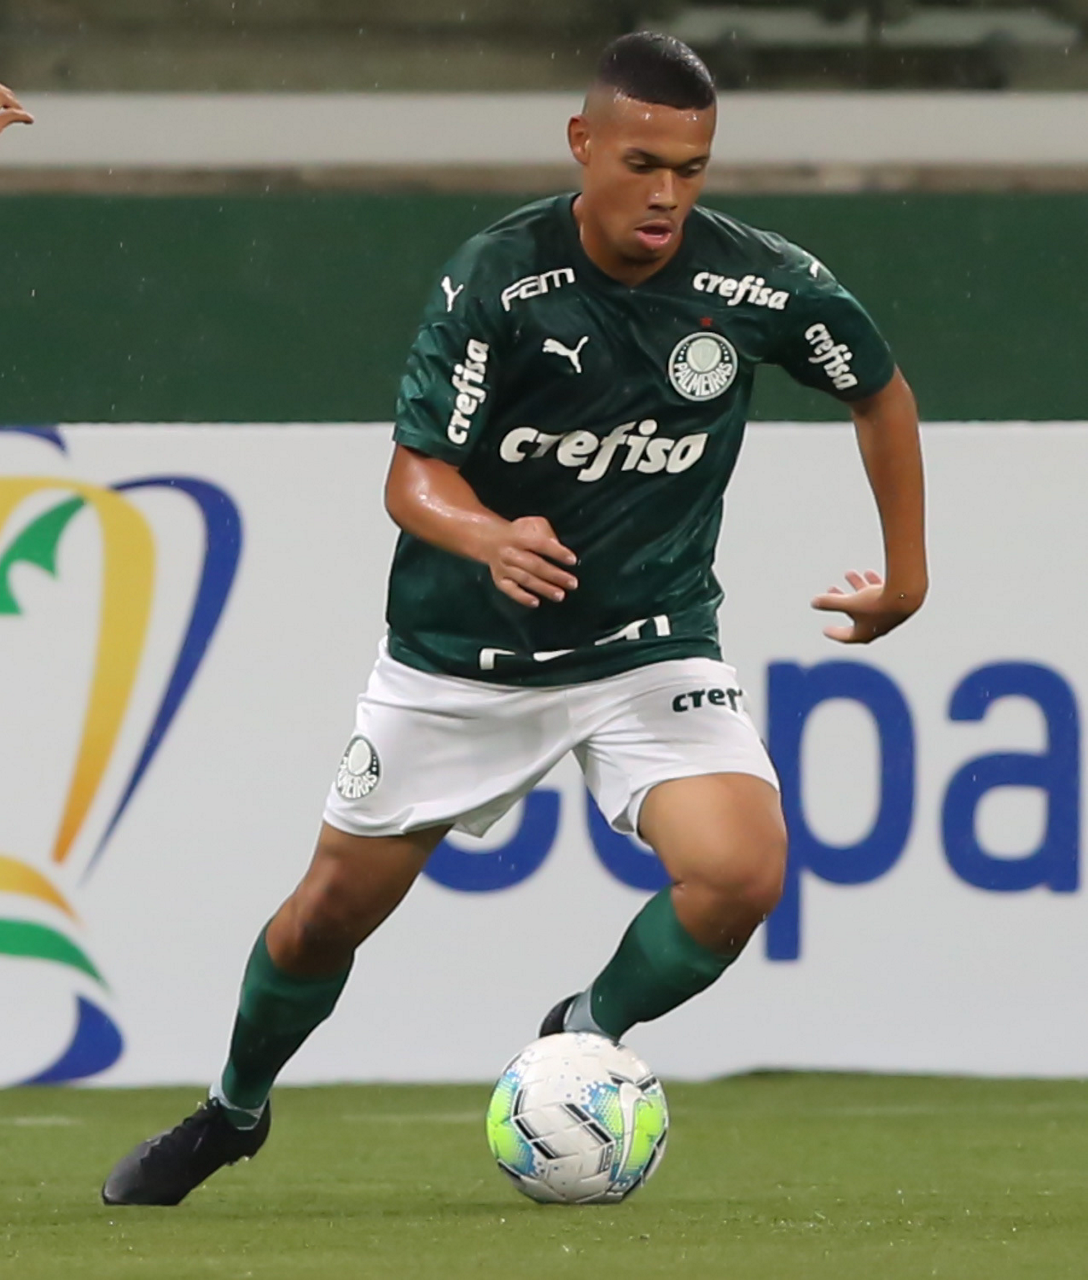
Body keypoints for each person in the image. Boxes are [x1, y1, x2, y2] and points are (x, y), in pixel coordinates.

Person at [102, 31, 927, 1206]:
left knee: (739, 872)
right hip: (461, 660)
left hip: (647, 648)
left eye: (690, 170)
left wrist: (904, 577)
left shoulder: (759, 284)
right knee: (324, 915)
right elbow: (413, 477)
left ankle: (579, 1033)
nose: (666, 194)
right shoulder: (498, 279)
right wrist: (487, 533)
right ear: (582, 143)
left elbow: (877, 391)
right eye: (641, 164)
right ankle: (232, 1109)